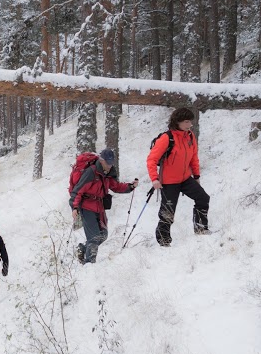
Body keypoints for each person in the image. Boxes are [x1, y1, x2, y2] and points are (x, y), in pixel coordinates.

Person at [147, 107, 210, 247]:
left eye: (190, 121)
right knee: (168, 212)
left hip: (185, 178)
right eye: (186, 122)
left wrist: (196, 175)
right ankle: (164, 241)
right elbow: (151, 160)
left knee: (203, 198)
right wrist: (154, 179)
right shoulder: (166, 138)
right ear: (177, 122)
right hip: (169, 182)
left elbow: (194, 157)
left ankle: (201, 228)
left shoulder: (190, 136)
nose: (190, 125)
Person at [69, 148, 138, 264]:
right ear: (101, 160)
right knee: (94, 237)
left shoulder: (107, 174)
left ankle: (82, 249)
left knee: (103, 234)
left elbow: (116, 186)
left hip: (99, 206)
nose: (110, 165)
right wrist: (74, 207)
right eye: (108, 163)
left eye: (111, 163)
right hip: (86, 206)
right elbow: (77, 191)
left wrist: (130, 187)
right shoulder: (91, 172)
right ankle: (89, 264)